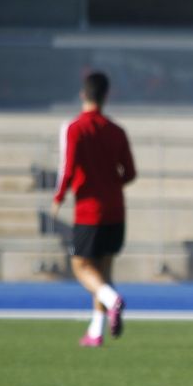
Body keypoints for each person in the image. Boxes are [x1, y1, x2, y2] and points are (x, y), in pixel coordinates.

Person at [53, 71, 136, 349]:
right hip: (116, 210)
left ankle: (113, 301)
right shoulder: (117, 131)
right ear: (106, 96)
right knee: (103, 273)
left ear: (82, 94)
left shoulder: (75, 128)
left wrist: (59, 196)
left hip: (89, 211)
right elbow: (130, 172)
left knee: (81, 267)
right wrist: (112, 183)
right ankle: (96, 331)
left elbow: (68, 167)